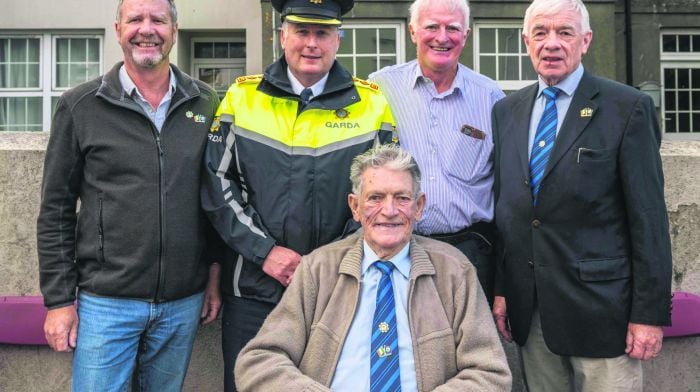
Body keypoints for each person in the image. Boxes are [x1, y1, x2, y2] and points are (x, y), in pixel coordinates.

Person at [200, 0, 396, 389]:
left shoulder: (371, 104)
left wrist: (328, 262)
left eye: (322, 33)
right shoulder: (242, 98)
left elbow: (380, 202)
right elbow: (217, 185)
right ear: (283, 35)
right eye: (302, 31)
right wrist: (265, 253)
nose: (311, 43)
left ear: (338, 39)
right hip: (254, 290)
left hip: (339, 289)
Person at [37, 0, 222, 390]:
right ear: (118, 28)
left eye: (158, 19)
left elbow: (216, 198)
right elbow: (55, 210)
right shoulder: (80, 106)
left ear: (174, 30)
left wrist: (213, 276)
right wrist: (58, 302)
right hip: (106, 304)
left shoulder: (206, 103)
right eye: (135, 19)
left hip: (182, 302)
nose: (147, 28)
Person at [490, 0, 672, 390]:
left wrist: (648, 314)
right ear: (526, 41)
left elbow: (649, 218)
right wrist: (504, 289)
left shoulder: (626, 108)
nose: (551, 43)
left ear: (585, 41)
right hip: (533, 310)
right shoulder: (507, 110)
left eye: (564, 33)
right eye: (540, 33)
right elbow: (510, 210)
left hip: (604, 312)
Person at [234, 144, 511, 392]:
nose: (389, 210)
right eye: (375, 198)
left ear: (419, 207)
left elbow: (490, 372)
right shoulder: (318, 268)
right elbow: (259, 360)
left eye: (402, 198)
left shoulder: (455, 270)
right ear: (355, 207)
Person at [369, 0, 504, 303]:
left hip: (471, 252)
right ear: (413, 32)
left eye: (452, 28)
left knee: (468, 347)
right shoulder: (379, 89)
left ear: (465, 35)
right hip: (398, 248)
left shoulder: (491, 97)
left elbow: (506, 186)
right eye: (432, 26)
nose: (442, 37)